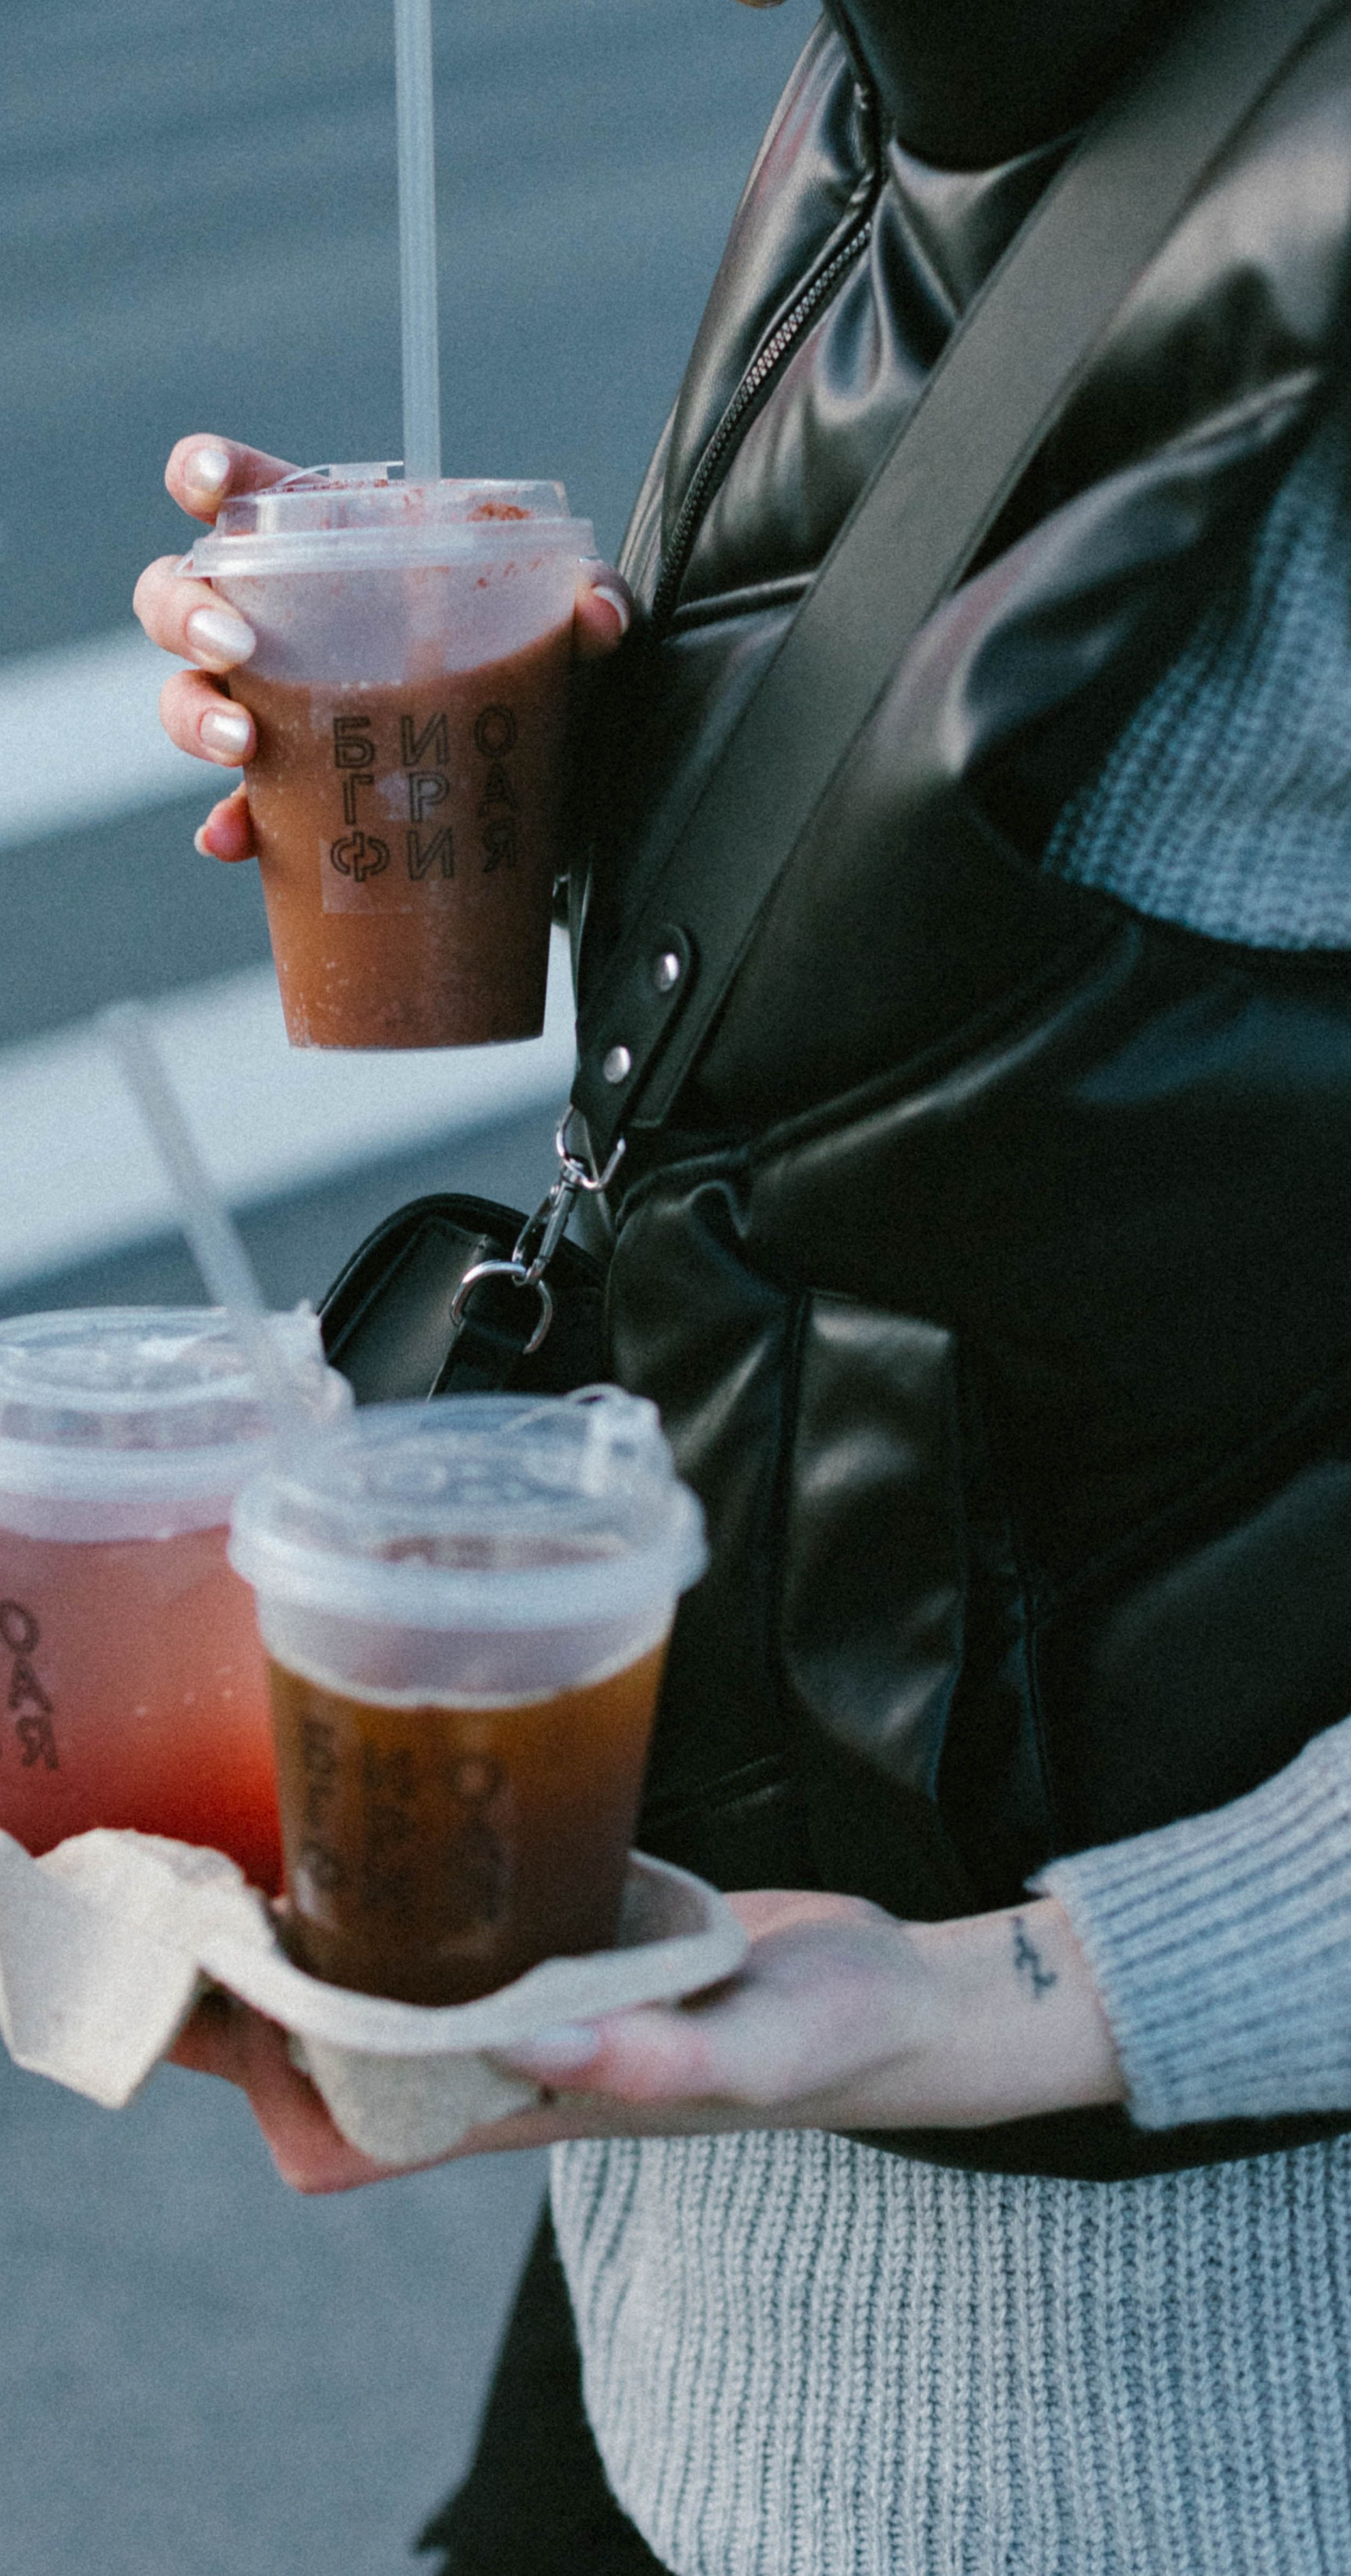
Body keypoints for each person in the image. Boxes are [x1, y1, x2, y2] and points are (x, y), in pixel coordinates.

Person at [132, 0, 1351, 2565]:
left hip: (1186, 2387)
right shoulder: (941, 68)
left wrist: (1020, 1992)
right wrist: (674, 773)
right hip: (717, 2253)